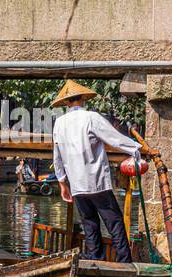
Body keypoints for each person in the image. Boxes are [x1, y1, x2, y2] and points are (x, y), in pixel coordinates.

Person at [50, 80, 143, 263]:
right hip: (96, 180)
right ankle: (124, 260)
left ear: (67, 102)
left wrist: (62, 182)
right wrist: (138, 148)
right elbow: (115, 138)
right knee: (114, 222)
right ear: (83, 98)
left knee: (90, 224)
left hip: (77, 184)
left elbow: (57, 156)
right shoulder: (91, 117)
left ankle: (95, 258)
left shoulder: (59, 123)